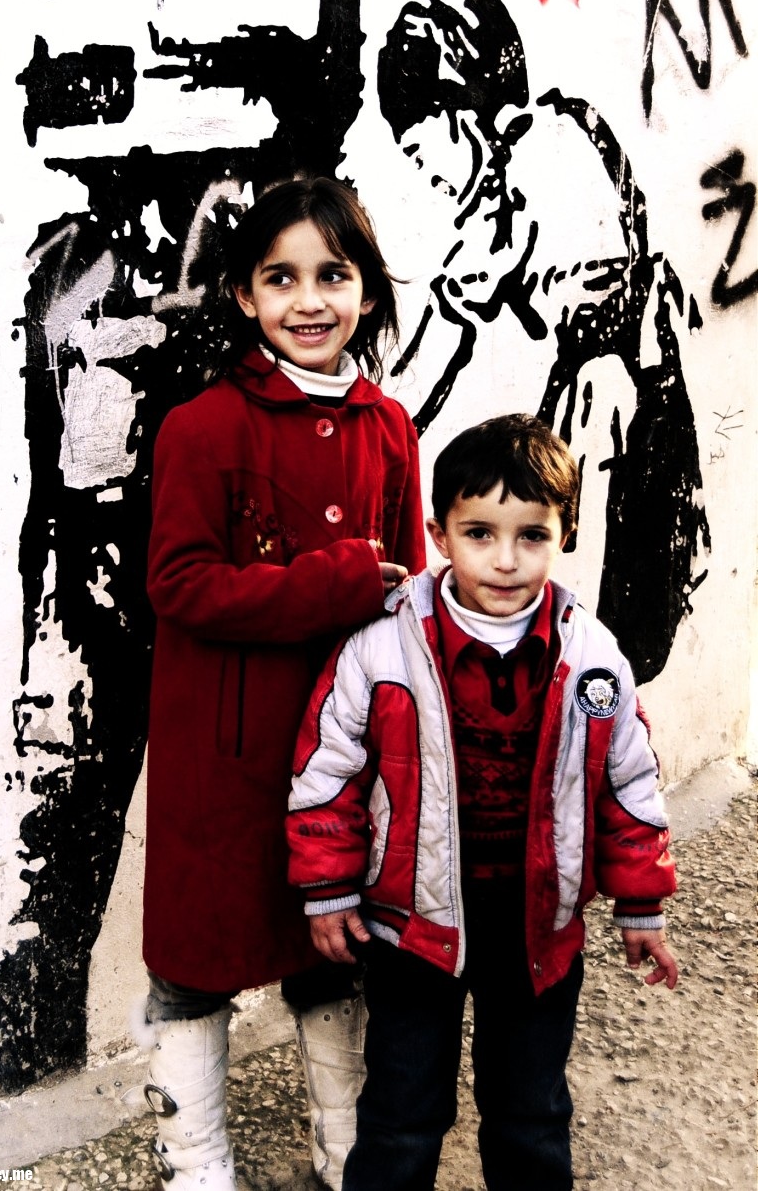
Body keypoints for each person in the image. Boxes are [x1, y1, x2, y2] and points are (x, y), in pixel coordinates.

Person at [287, 413, 677, 1191]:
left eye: (531, 534)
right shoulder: (383, 644)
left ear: (564, 532)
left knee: (530, 1111)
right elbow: (327, 771)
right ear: (438, 533)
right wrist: (327, 888)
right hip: (413, 923)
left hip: (538, 923)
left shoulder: (592, 656)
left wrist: (641, 904)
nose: (505, 559)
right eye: (479, 533)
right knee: (401, 1112)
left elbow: (630, 784)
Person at [140, 176, 426, 1190]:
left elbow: (408, 598)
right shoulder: (202, 427)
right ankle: (195, 1161)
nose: (309, 301)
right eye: (280, 278)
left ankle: (343, 1150)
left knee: (331, 950)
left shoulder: (389, 427)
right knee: (192, 966)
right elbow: (175, 582)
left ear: (365, 291)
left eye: (332, 275)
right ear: (243, 298)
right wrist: (328, 583)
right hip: (219, 755)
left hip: (338, 750)